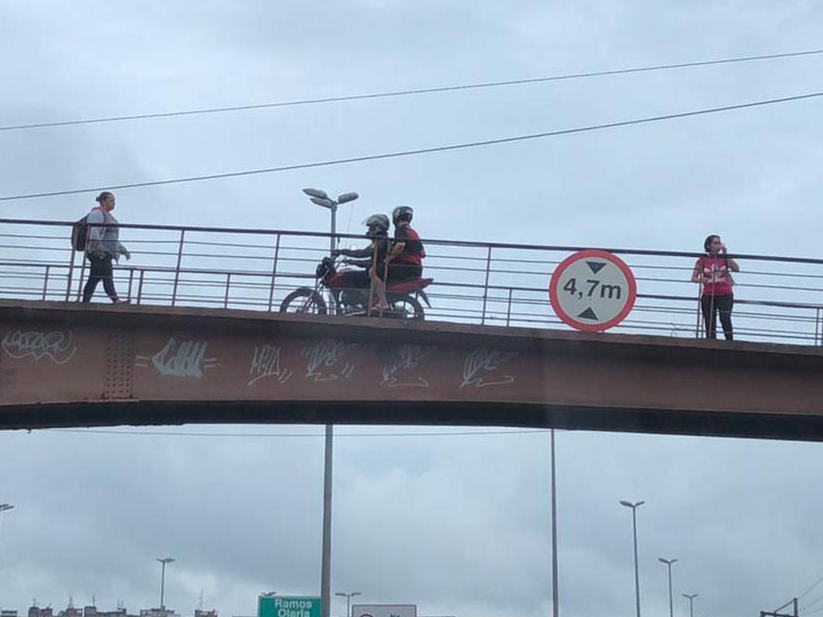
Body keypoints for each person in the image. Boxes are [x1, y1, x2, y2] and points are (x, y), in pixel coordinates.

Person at [331, 214, 390, 309]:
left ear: (377, 228)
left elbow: (364, 253)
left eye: (371, 228)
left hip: (377, 272)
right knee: (347, 272)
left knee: (346, 276)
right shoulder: (378, 241)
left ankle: (357, 303)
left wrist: (344, 252)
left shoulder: (381, 241)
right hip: (375, 270)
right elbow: (370, 260)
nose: (369, 231)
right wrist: (353, 262)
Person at [82, 191, 131, 303]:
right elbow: (93, 230)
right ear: (103, 201)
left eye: (114, 201)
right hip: (99, 252)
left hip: (105, 252)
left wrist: (122, 250)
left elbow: (112, 237)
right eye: (111, 200)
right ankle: (116, 300)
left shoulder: (106, 215)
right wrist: (98, 248)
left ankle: (85, 301)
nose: (114, 203)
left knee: (95, 278)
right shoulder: (97, 213)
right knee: (106, 277)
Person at [691, 234, 739, 340]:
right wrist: (703, 280)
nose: (718, 245)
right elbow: (693, 277)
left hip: (725, 294)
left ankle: (729, 341)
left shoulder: (724, 259)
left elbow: (736, 268)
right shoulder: (702, 260)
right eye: (715, 243)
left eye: (719, 243)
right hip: (708, 294)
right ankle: (711, 342)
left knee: (725, 318)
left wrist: (726, 254)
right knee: (709, 320)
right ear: (708, 246)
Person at [386, 205, 425, 284]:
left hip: (405, 268)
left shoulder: (400, 230)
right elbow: (423, 253)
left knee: (379, 269)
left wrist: (388, 259)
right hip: (417, 270)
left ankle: (378, 293)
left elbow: (400, 245)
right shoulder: (413, 232)